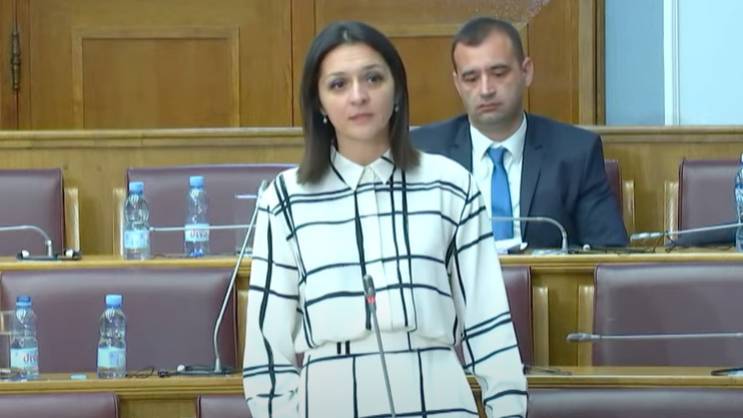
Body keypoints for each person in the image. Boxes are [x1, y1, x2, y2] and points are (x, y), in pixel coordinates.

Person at [243, 20, 526, 418]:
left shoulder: (451, 186)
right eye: (338, 84)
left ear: (397, 91)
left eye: (373, 78)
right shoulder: (284, 199)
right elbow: (266, 354)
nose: (358, 96)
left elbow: (489, 325)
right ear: (319, 103)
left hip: (439, 399)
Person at [412, 17, 628, 249]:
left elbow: (608, 251)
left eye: (498, 73)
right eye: (471, 78)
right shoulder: (422, 151)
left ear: (526, 72)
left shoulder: (576, 152)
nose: (485, 90)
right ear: (457, 84)